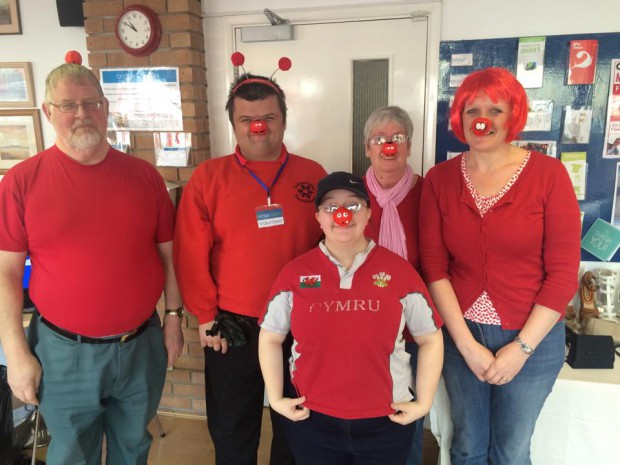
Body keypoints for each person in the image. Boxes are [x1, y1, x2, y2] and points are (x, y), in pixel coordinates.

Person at [0, 59, 184, 465]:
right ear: (48, 112)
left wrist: (173, 318)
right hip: (64, 353)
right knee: (71, 456)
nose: (81, 114)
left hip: (140, 346)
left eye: (91, 103)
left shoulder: (145, 177)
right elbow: (7, 273)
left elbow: (168, 256)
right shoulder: (21, 182)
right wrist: (15, 353)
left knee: (134, 447)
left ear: (105, 107)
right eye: (68, 105)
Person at [419, 67, 581, 465]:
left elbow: (562, 273)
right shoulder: (439, 180)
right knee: (467, 445)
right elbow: (434, 267)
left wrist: (521, 349)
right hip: (462, 333)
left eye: (495, 109)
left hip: (533, 338)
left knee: (510, 451)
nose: (483, 119)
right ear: (460, 117)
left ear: (514, 116)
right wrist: (466, 344)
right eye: (473, 109)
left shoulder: (549, 175)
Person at [173, 70, 327, 465]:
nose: (258, 127)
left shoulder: (313, 175)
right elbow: (190, 253)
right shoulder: (209, 178)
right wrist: (206, 317)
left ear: (283, 120)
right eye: (247, 119)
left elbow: (332, 246)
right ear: (234, 124)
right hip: (232, 326)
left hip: (301, 322)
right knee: (232, 429)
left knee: (297, 424)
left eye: (269, 118)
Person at [259, 171, 444, 465]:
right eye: (331, 207)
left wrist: (423, 403)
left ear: (369, 214)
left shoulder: (399, 271)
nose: (342, 214)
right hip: (312, 420)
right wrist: (276, 398)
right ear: (318, 216)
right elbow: (270, 336)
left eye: (354, 205)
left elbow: (430, 337)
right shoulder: (294, 273)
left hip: (386, 420)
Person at [362, 105, 426, 465]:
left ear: (409, 145)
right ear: (367, 148)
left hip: (415, 330)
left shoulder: (429, 193)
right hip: (363, 326)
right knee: (364, 412)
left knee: (407, 417)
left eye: (396, 138)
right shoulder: (350, 196)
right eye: (379, 139)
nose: (388, 146)